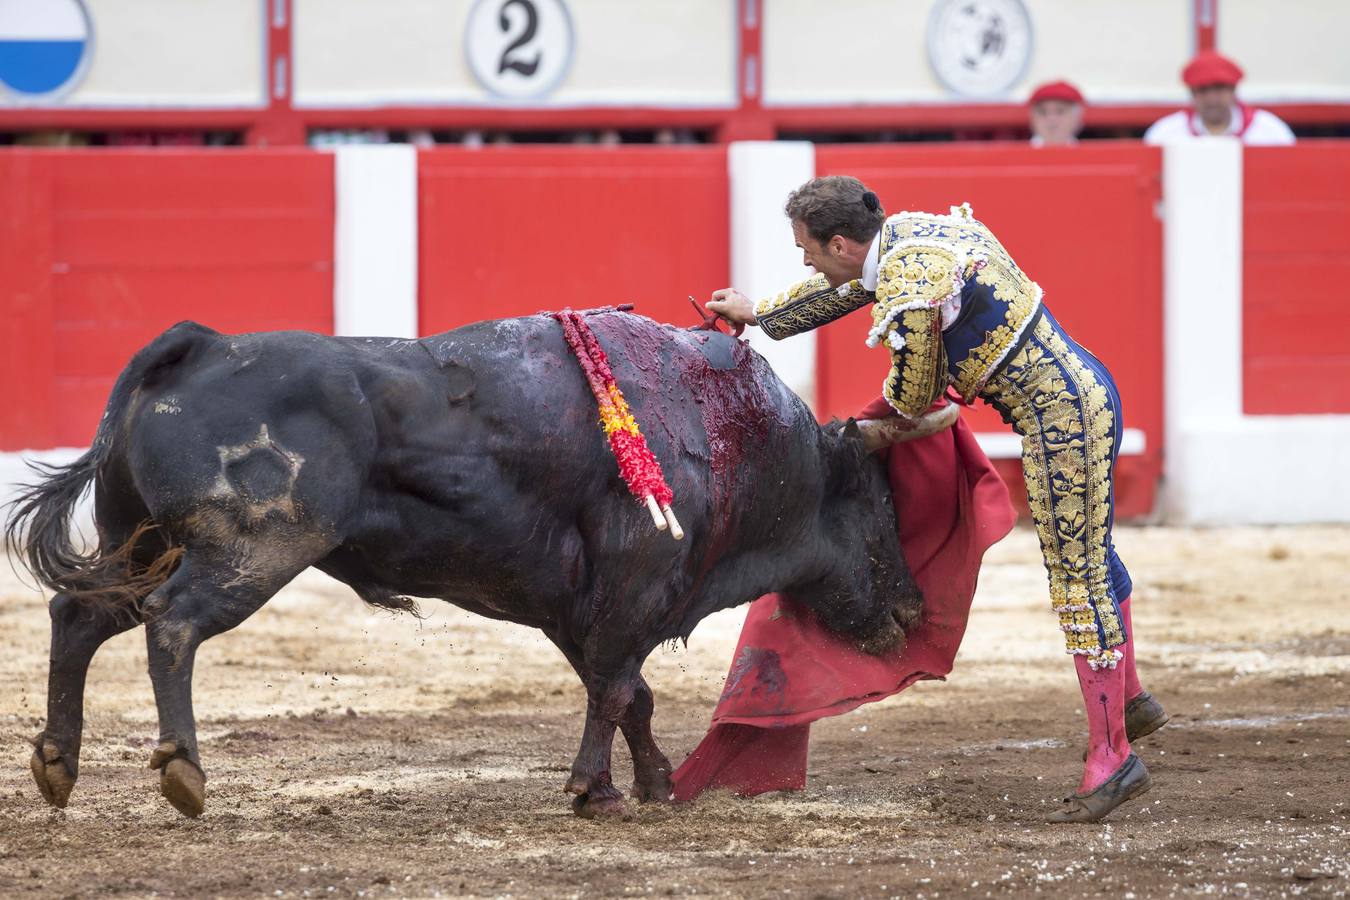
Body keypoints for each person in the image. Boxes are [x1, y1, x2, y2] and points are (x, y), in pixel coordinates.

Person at [705, 176, 1168, 822]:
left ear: (840, 242)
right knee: (1095, 556)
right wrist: (763, 316)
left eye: (807, 248)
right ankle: (1133, 701)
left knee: (1078, 576)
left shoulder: (905, 279)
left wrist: (859, 436)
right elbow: (847, 287)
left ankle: (1112, 754)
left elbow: (916, 393)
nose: (805, 260)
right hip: (1087, 390)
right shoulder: (908, 237)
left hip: (1062, 422)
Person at [1144, 50, 1295, 145]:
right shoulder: (1165, 134)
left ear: (1234, 90)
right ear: (1192, 94)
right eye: (1203, 90)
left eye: (1219, 88)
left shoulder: (1269, 131)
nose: (1212, 98)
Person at [1028, 80, 1085, 146]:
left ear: (1077, 117)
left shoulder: (1089, 155)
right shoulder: (1019, 154)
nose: (1051, 119)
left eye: (1060, 111)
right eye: (1043, 112)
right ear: (1033, 118)